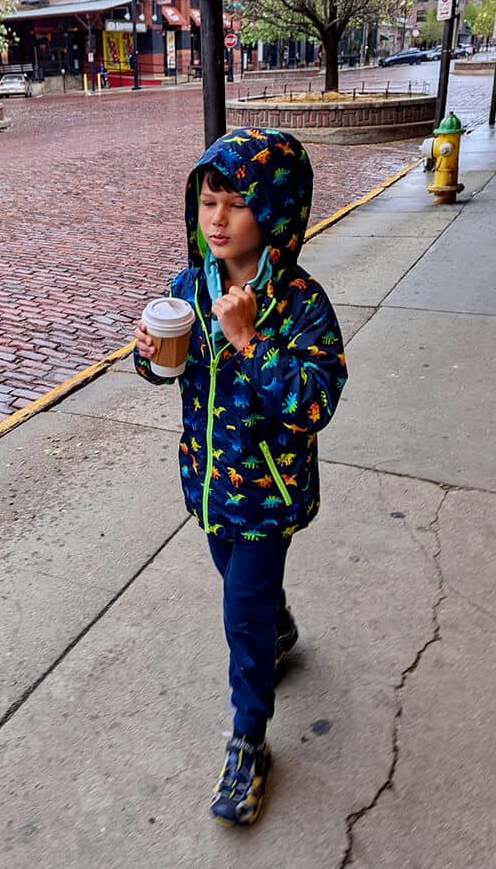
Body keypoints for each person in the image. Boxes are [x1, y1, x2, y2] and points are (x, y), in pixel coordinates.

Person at [133, 128, 347, 827]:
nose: (218, 219)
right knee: (237, 583)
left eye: (236, 203)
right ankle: (278, 624)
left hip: (267, 496)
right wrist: (148, 355)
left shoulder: (301, 303)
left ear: (275, 211)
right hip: (207, 482)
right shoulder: (189, 288)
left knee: (239, 614)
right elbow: (171, 371)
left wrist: (249, 342)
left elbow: (315, 403)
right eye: (207, 202)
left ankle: (249, 739)